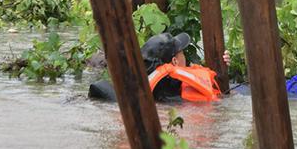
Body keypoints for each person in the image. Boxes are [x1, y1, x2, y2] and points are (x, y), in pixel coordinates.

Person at [88, 31, 229, 102]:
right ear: (174, 62)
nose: (185, 56)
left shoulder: (145, 88)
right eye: (182, 52)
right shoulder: (181, 92)